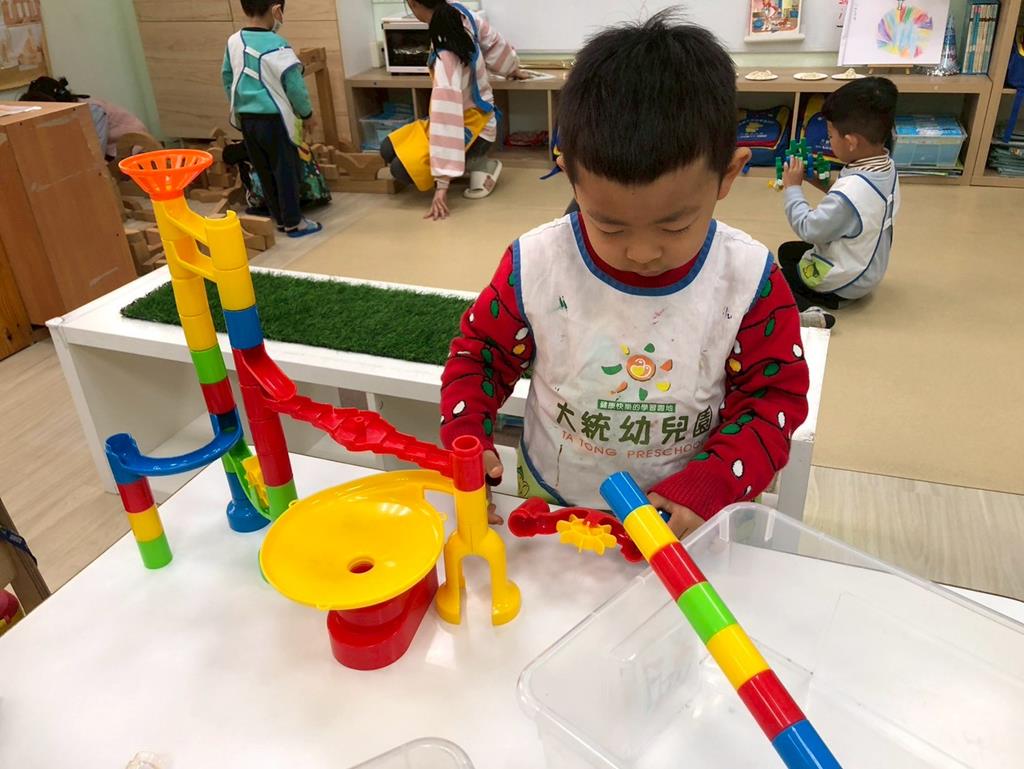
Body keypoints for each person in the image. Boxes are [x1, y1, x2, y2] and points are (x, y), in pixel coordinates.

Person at [439, 12, 810, 539]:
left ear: (728, 175)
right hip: (551, 503)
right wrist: (467, 438)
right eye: (608, 226)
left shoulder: (748, 279)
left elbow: (774, 399)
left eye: (675, 225)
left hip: (677, 517)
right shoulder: (538, 262)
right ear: (569, 174)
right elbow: (480, 355)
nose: (641, 252)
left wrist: (712, 483)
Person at [380, 0, 523, 220]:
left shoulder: (446, 57)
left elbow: (447, 120)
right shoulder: (460, 12)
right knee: (387, 148)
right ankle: (465, 164)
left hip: (476, 129)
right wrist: (512, 67)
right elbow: (495, 43)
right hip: (469, 117)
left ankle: (480, 164)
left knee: (399, 169)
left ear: (413, 4)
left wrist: (442, 184)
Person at [779, 77, 900, 328]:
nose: (829, 140)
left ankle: (810, 311)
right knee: (788, 251)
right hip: (871, 267)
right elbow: (857, 205)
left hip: (846, 282)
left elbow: (809, 228)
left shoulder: (850, 194)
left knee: (777, 277)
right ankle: (830, 294)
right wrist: (819, 182)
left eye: (830, 135)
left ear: (851, 141)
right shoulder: (884, 167)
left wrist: (793, 188)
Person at [222, 0, 321, 237]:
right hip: (275, 120)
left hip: (247, 120)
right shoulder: (279, 46)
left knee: (264, 170)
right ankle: (294, 221)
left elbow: (227, 77)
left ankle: (279, 218)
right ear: (276, 10)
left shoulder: (233, 42)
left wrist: (241, 104)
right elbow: (295, 87)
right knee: (285, 170)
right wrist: (307, 114)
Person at [19, 76, 148, 159]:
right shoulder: (67, 112)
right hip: (110, 149)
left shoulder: (92, 110)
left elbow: (96, 150)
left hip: (132, 146)